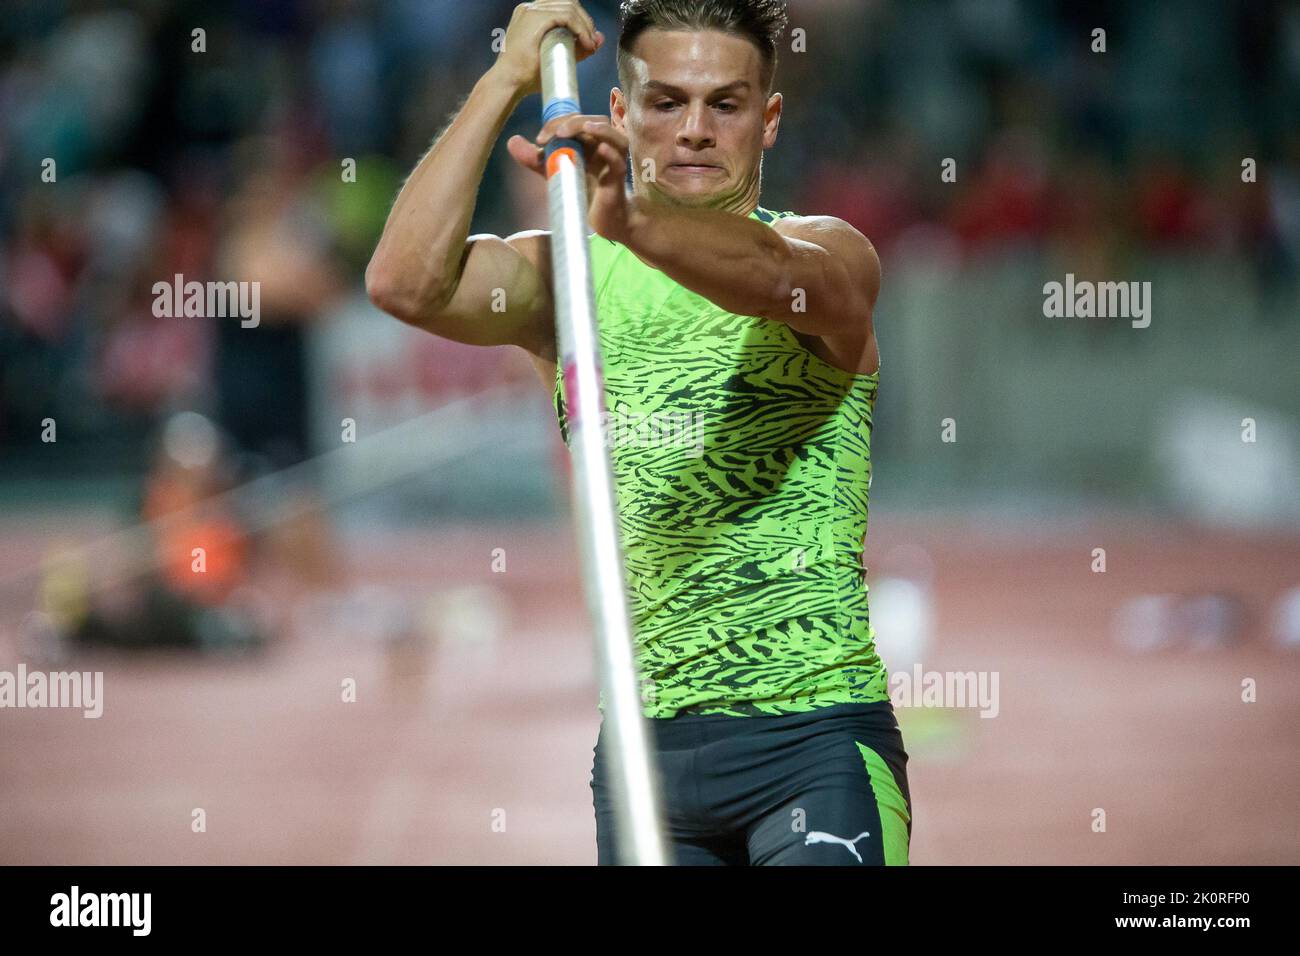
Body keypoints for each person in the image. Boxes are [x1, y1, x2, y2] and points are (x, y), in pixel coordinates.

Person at [366, 0, 910, 865]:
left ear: (768, 122)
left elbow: (777, 281)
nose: (693, 130)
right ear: (619, 114)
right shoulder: (569, 286)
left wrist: (633, 223)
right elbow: (405, 283)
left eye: (725, 105)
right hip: (643, 754)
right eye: (666, 103)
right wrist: (503, 79)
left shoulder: (827, 255)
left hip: (814, 742)